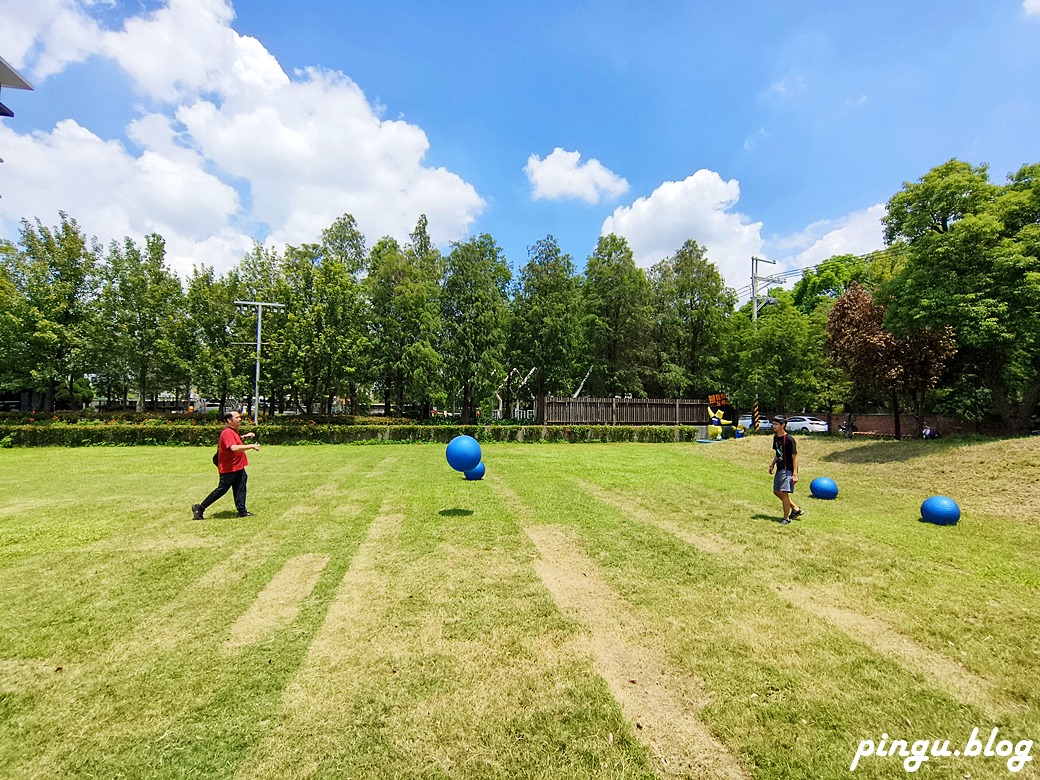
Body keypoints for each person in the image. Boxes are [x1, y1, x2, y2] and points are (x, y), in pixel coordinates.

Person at [192, 410, 260, 520]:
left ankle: (242, 511)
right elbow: (233, 447)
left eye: (240, 417)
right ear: (229, 420)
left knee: (240, 488)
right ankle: (200, 507)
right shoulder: (227, 432)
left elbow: (236, 441)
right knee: (222, 490)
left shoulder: (233, 431)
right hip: (229, 467)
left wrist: (245, 437)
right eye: (237, 418)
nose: (239, 419)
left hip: (238, 466)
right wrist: (251, 446)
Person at [768, 414, 803, 525]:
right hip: (780, 468)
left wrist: (795, 474)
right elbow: (778, 453)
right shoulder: (776, 438)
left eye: (776, 424)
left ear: (783, 425)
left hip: (787, 470)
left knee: (784, 493)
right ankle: (796, 509)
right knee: (776, 491)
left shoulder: (789, 439)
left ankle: (786, 518)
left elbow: (795, 457)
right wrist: (772, 464)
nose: (773, 426)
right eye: (773, 424)